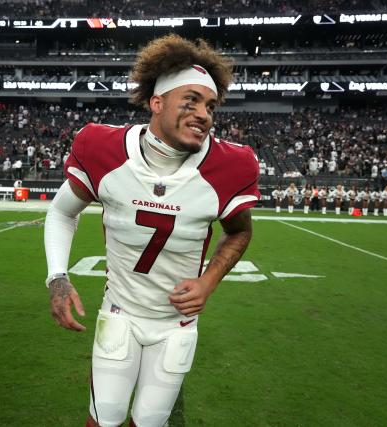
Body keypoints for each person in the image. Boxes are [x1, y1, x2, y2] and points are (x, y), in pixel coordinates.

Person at [43, 34, 260, 427]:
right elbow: (62, 213)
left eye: (210, 106)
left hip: (176, 322)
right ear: (156, 103)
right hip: (120, 310)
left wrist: (209, 281)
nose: (204, 114)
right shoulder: (102, 147)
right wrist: (57, 278)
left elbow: (239, 232)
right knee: (104, 418)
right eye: (190, 100)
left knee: (149, 421)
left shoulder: (232, 166)